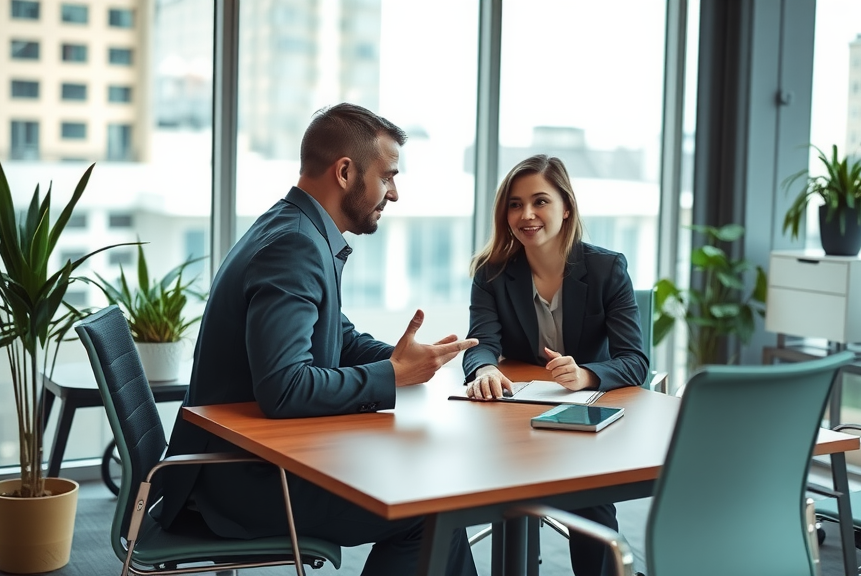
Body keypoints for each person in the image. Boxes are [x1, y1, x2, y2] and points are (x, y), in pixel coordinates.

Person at [157, 103, 479, 576]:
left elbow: (336, 335)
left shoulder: (293, 226)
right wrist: (390, 375)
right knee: (431, 511)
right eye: (388, 176)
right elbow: (285, 389)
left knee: (428, 495)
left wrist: (405, 360)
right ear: (346, 172)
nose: (394, 193)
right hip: (240, 481)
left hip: (244, 463)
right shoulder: (296, 245)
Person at [461, 154, 648, 576]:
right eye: (514, 204)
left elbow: (635, 360)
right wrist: (484, 370)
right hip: (515, 421)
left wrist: (585, 375)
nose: (526, 214)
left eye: (540, 201)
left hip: (585, 415)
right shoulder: (491, 274)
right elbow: (480, 344)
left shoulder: (607, 269)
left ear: (567, 207)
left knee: (591, 498)